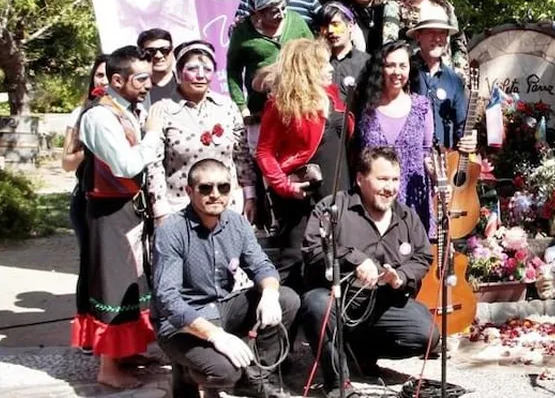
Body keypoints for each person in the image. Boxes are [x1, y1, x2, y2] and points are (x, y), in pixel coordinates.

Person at [153, 159, 298, 398]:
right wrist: (215, 336)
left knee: (287, 299)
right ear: (190, 191)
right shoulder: (171, 231)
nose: (215, 195)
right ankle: (187, 372)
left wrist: (270, 294)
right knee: (226, 372)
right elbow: (167, 300)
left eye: (223, 187)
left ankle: (253, 378)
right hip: (182, 323)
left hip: (224, 306)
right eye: (205, 188)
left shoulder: (237, 223)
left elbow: (261, 265)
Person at [300, 147, 438, 391]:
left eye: (395, 179)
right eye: (383, 179)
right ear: (360, 179)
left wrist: (401, 277)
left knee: (428, 335)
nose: (390, 187)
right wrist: (355, 259)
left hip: (384, 303)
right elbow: (313, 249)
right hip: (339, 300)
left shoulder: (407, 216)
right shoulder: (333, 208)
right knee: (317, 304)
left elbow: (422, 256)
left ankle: (361, 355)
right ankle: (337, 382)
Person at [71, 45, 163, 388]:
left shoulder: (128, 109)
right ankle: (108, 370)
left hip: (128, 209)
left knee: (133, 282)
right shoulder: (98, 117)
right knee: (112, 286)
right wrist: (153, 135)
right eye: (140, 78)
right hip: (108, 213)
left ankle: (128, 352)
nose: (148, 84)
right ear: (117, 79)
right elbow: (125, 164)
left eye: (149, 77)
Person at [255, 39, 355, 289]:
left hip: (339, 187)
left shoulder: (332, 94)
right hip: (305, 195)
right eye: (324, 64)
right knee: (297, 259)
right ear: (307, 68)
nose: (331, 68)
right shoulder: (280, 104)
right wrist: (285, 186)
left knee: (339, 254)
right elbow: (264, 152)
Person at [146, 41, 256, 223]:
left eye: (207, 69)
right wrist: (160, 210)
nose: (200, 76)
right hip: (179, 206)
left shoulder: (227, 107)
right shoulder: (163, 110)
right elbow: (154, 164)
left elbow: (241, 155)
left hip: (228, 204)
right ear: (179, 72)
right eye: (192, 69)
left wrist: (250, 195)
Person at [355, 41, 436, 235]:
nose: (397, 72)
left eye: (403, 65)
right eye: (390, 65)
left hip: (412, 202)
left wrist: (436, 175)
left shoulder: (421, 106)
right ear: (380, 68)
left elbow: (427, 152)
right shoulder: (365, 107)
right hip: (373, 203)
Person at [61, 54, 107, 353]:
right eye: (99, 75)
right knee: (90, 266)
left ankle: (118, 335)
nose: (103, 80)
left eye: (109, 74)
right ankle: (90, 335)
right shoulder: (80, 114)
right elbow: (66, 162)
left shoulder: (130, 111)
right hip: (86, 201)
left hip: (120, 204)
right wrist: (92, 144)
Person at [227, 0, 314, 125]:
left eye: (284, 8)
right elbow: (233, 71)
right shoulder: (243, 32)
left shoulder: (296, 21)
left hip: (299, 106)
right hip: (261, 110)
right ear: (259, 12)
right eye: (274, 11)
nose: (281, 14)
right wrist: (241, 107)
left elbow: (314, 56)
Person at [382, 0, 469, 73]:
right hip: (411, 76)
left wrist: (459, 76)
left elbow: (459, 44)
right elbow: (389, 45)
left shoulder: (446, 8)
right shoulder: (395, 7)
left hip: (444, 78)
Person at [409, 16, 478, 153]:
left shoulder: (454, 80)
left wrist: (469, 140)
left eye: (442, 33)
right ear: (418, 36)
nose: (437, 38)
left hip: (443, 161)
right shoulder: (404, 72)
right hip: (410, 156)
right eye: (431, 32)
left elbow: (462, 127)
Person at [320, 2, 369, 99]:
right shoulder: (316, 62)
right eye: (325, 26)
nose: (330, 30)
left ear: (350, 26)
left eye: (335, 25)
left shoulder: (366, 63)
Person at [138, 28, 177, 105]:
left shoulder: (187, 84)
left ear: (172, 51)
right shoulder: (134, 89)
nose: (158, 55)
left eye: (164, 50)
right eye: (151, 51)